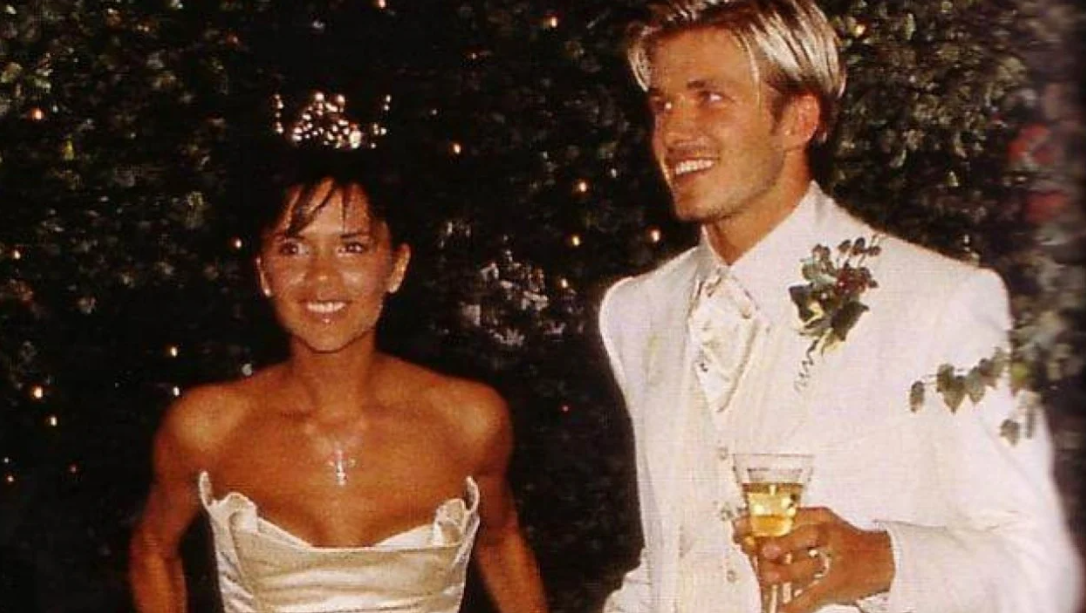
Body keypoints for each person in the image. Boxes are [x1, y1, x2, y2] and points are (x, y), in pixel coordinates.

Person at [597, 1, 1083, 612]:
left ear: (798, 120)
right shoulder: (639, 312)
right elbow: (675, 561)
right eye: (663, 106)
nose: (673, 133)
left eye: (710, 98)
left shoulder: (940, 302)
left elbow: (1042, 571)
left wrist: (883, 561)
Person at [129, 134, 549, 613]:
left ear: (396, 267)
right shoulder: (208, 426)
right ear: (264, 273)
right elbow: (153, 549)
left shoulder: (469, 419)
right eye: (293, 249)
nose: (322, 278)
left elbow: (502, 541)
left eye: (352, 248)